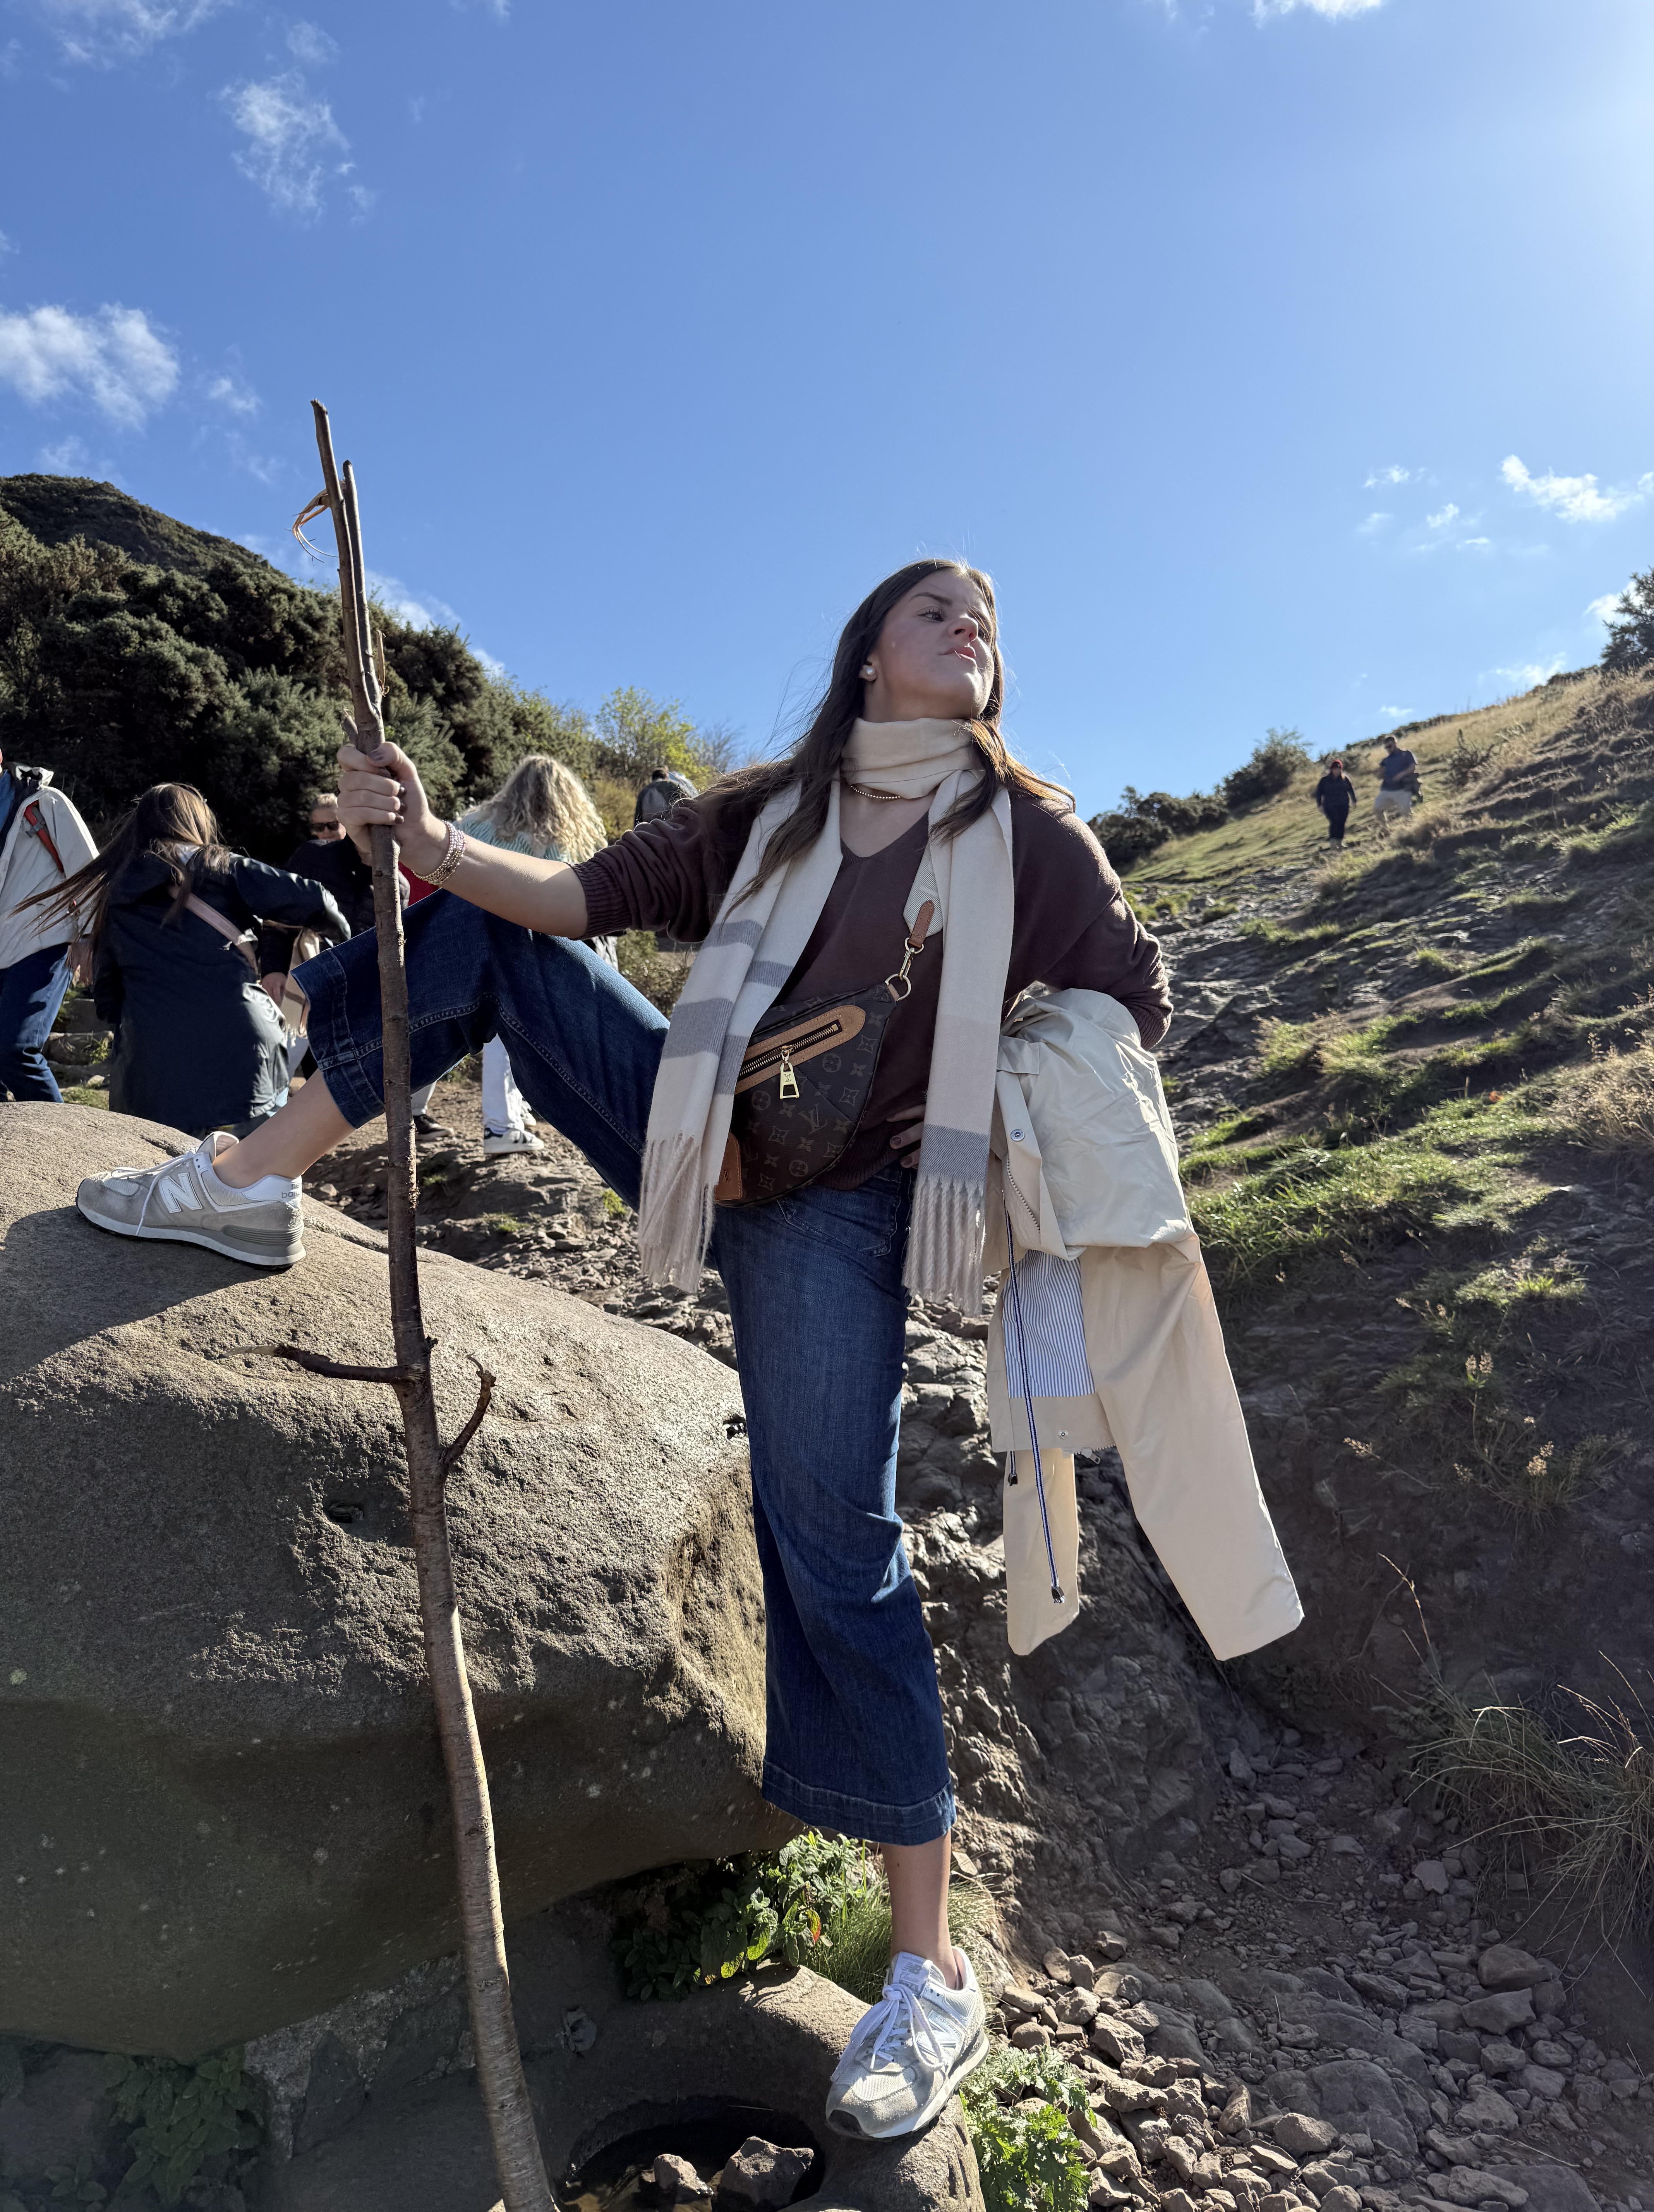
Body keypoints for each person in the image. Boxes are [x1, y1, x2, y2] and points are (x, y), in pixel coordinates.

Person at [74, 559, 1172, 2138]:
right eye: (940, 606)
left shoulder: (1029, 836)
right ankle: (253, 1182)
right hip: (702, 1139)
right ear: (870, 653)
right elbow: (583, 899)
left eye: (990, 617)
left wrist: (993, 1099)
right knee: (492, 938)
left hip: (843, 1218)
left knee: (836, 1550)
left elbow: (1134, 997)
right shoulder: (775, 811)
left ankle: (928, 1975)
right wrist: (429, 842)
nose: (974, 624)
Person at [27, 782, 347, 1141]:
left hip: (153, 1070)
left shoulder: (116, 890)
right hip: (244, 1048)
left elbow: (107, 998)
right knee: (261, 1164)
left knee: (169, 1170)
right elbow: (319, 903)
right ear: (197, 820)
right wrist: (331, 955)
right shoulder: (223, 867)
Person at [458, 754, 610, 1157]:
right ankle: (501, 1128)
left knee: (461, 1032)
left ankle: (511, 1113)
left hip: (463, 937)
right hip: (520, 944)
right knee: (506, 1036)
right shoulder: (559, 839)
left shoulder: (475, 824)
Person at [0, 746, 98, 1102]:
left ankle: (61, 1133)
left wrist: (89, 935)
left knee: (14, 1049)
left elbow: (89, 871)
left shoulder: (45, 803)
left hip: (42, 940)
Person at [1374, 733, 1420, 825]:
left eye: (1390, 746)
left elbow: (1412, 767)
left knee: (1406, 813)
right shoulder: (1385, 761)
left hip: (1403, 789)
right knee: (1378, 809)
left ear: (1395, 743)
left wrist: (1402, 775)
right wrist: (1380, 772)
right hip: (1387, 789)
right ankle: (1385, 829)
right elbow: (1379, 777)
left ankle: (1412, 829)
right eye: (1386, 748)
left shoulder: (1406, 754)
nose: (1388, 749)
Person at [632, 764, 696, 827]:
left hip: (649, 827)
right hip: (670, 824)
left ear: (653, 778)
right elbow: (690, 800)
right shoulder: (671, 785)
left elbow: (638, 816)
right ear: (666, 777)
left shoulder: (644, 791)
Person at [1313, 756, 1356, 843]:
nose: (1337, 771)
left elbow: (1351, 790)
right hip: (1329, 806)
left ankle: (1340, 841)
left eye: (1338, 769)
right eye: (1335, 769)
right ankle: (1333, 840)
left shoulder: (1345, 779)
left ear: (1341, 769)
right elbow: (1319, 793)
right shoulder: (1325, 780)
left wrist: (1354, 801)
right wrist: (1319, 804)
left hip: (1344, 805)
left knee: (1342, 822)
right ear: (1331, 770)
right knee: (1335, 821)